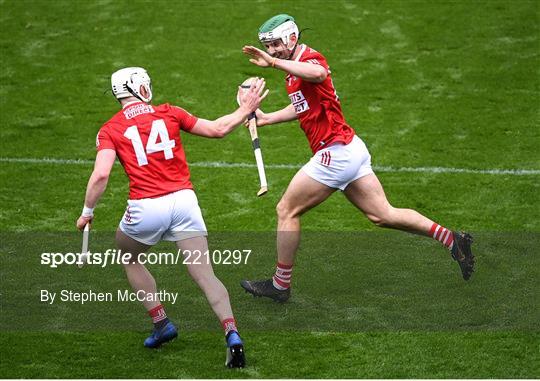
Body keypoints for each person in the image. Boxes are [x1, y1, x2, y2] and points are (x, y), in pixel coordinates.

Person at [239, 14, 475, 303]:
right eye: (269, 47)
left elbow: (319, 75)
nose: (273, 51)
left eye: (276, 44)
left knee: (286, 210)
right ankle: (453, 240)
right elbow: (303, 105)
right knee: (382, 215)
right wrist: (267, 119)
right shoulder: (294, 70)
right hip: (350, 149)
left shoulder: (310, 60)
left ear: (290, 38)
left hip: (334, 152)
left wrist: (273, 62)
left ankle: (280, 285)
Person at [76, 67, 267, 368]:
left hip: (145, 207)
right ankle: (232, 332)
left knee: (129, 257)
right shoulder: (170, 112)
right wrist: (245, 109)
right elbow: (218, 129)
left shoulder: (110, 129)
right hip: (184, 202)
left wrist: (87, 211)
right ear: (139, 87)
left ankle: (161, 322)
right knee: (205, 275)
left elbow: (101, 175)